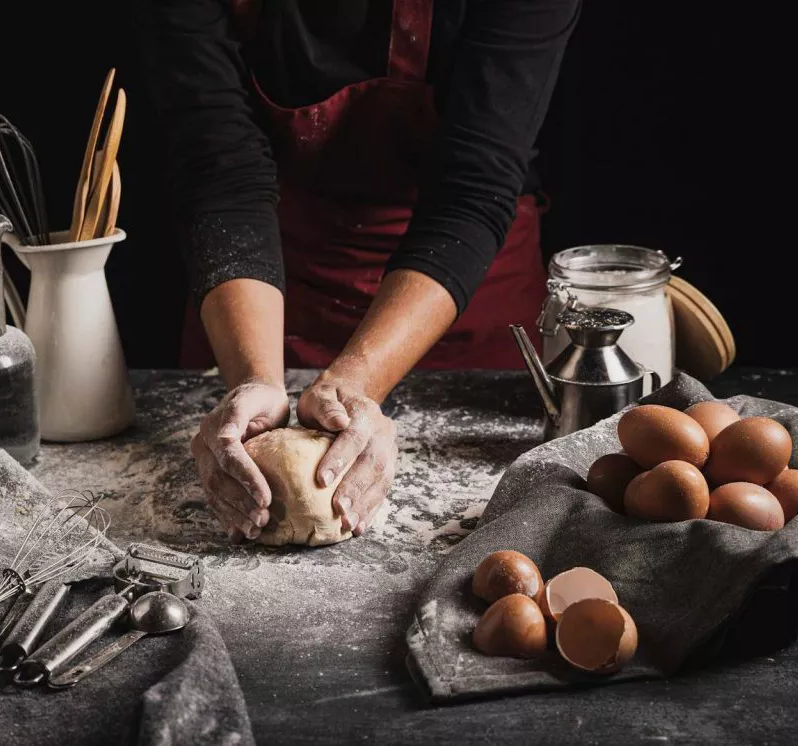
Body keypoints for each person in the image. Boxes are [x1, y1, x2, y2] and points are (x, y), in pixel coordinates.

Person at [136, 0, 580, 542]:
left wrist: (353, 383)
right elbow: (220, 167)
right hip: (267, 265)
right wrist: (255, 377)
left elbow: (474, 184)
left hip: (457, 277)